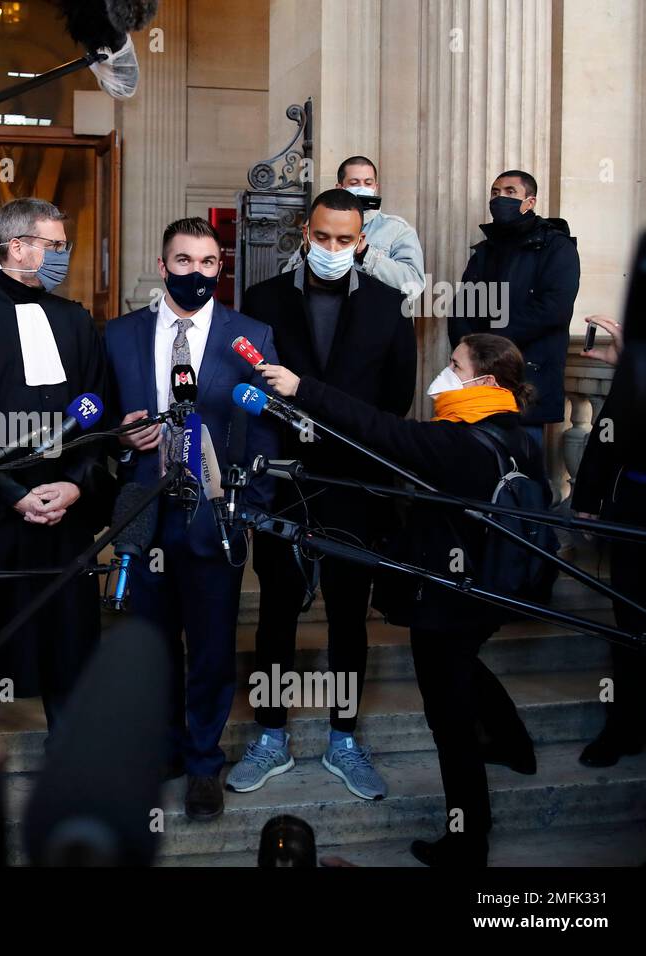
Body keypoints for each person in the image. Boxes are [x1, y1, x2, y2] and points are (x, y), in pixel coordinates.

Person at [258, 333, 541, 867]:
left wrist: (305, 389)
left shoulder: (457, 444)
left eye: (454, 364)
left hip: (450, 599)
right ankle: (514, 744)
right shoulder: (516, 433)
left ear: (482, 380)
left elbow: (380, 430)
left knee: (449, 720)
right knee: (465, 665)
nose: (444, 372)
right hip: (496, 588)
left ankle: (467, 841)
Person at [233, 188, 417, 801]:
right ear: (304, 235)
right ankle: (270, 735)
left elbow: (393, 404)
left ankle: (344, 738)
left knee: (347, 614)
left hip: (354, 485)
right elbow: (250, 394)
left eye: (346, 239)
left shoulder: (390, 306)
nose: (333, 249)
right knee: (277, 613)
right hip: (283, 481)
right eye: (323, 237)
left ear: (362, 242)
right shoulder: (262, 300)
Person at [105, 217, 280, 820]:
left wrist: (247, 505)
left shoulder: (250, 334)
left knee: (210, 646)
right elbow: (100, 419)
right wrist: (125, 439)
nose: (197, 273)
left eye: (209, 263)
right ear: (163, 267)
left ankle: (205, 760)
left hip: (215, 516)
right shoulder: (121, 335)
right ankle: (163, 752)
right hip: (146, 511)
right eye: (184, 262)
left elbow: (266, 426)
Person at [0, 197, 111, 741]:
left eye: (63, 246)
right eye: (53, 245)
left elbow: (95, 408)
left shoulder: (75, 319)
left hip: (63, 515)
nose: (62, 255)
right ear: (16, 246)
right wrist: (10, 493)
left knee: (69, 641)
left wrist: (75, 486)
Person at [448, 169, 580, 470]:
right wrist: (465, 349)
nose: (499, 199)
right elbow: (463, 306)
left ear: (529, 202)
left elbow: (554, 307)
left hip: (526, 377)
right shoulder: (485, 250)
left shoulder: (556, 246)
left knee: (524, 473)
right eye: (495, 193)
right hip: (478, 381)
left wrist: (491, 341)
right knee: (480, 468)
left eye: (509, 192)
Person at [573, 314, 646, 766]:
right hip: (637, 512)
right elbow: (606, 436)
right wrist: (586, 498)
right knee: (631, 629)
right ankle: (625, 728)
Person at [281, 156, 425, 294]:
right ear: (340, 187)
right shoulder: (321, 226)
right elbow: (287, 278)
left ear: (375, 186)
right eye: (354, 183)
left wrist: (366, 254)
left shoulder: (397, 229)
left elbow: (414, 284)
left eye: (368, 183)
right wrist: (307, 249)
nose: (362, 188)